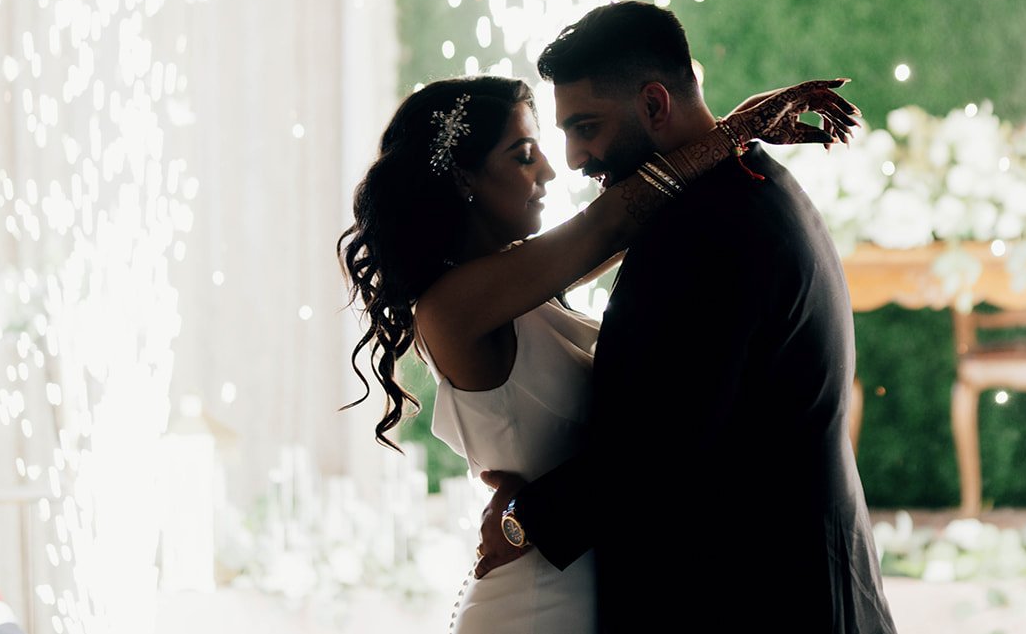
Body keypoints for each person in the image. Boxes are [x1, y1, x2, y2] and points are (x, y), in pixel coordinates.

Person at [340, 69, 858, 633]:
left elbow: (629, 223)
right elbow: (611, 224)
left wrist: (728, 132)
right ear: (465, 176)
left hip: (585, 580)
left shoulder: (526, 283)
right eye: (523, 155)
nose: (549, 170)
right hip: (536, 605)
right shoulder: (452, 307)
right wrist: (733, 131)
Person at [474, 2, 897, 634]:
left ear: (653, 105)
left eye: (585, 126)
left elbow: (659, 445)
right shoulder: (747, 184)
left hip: (757, 596)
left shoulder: (704, 230)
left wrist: (524, 520)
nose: (576, 157)